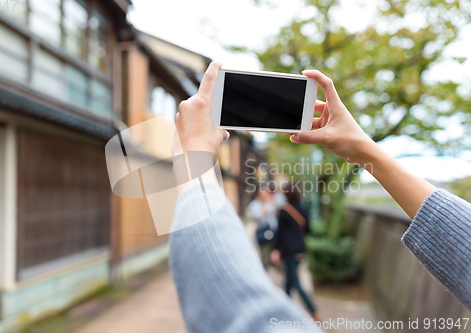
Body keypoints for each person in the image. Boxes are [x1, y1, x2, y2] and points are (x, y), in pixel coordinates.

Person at [169, 62, 471, 333]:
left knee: (292, 285)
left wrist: (192, 161)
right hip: (295, 251)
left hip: (289, 253)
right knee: (292, 285)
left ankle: (305, 311)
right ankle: (305, 309)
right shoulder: (292, 206)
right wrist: (365, 150)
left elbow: (244, 317)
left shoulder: (286, 209)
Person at [271, 183, 320, 321]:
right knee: (290, 280)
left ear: (287, 194)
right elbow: (308, 230)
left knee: (295, 283)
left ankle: (314, 310)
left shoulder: (284, 210)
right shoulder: (303, 209)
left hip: (289, 250)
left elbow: (279, 233)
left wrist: (276, 250)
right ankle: (285, 307)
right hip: (300, 249)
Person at [247, 185, 278, 268]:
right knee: (265, 254)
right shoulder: (255, 204)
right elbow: (258, 216)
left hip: (274, 231)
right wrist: (265, 205)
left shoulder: (271, 202)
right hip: (263, 232)